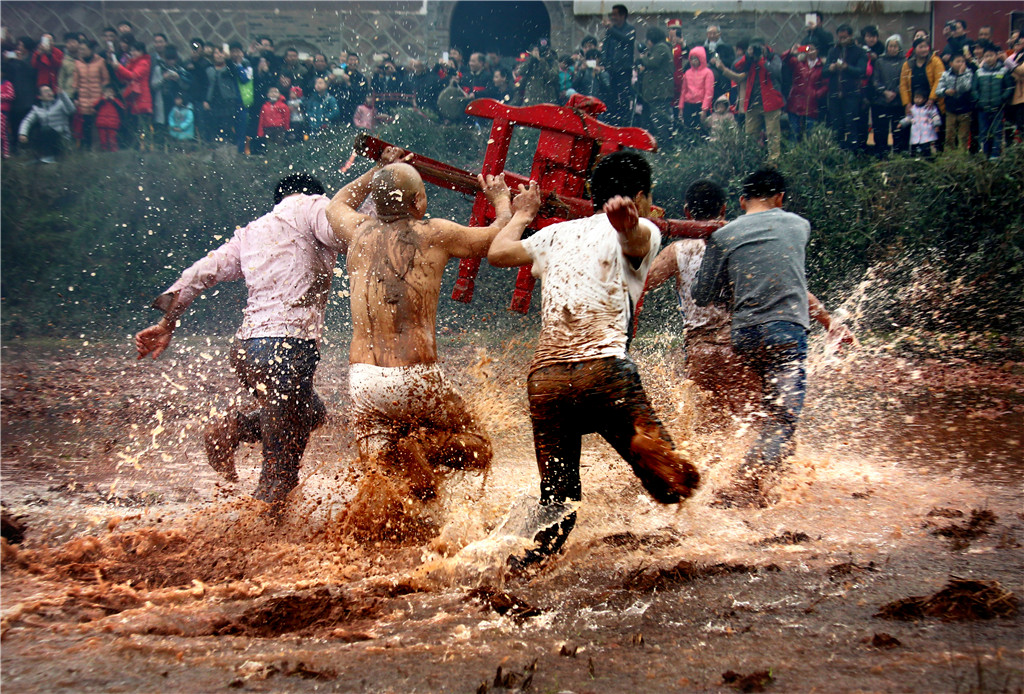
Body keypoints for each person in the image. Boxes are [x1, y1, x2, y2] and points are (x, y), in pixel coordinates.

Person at [134, 163, 405, 512]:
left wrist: (167, 324)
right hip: (288, 350)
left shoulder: (252, 232)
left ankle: (231, 429)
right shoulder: (313, 207)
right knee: (281, 469)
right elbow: (354, 233)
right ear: (313, 193)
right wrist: (380, 187)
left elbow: (202, 272)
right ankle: (263, 543)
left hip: (248, 350)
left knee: (311, 413)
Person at [487, 151, 701, 566]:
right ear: (641, 197)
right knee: (674, 486)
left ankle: (521, 564)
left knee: (559, 501)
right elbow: (636, 241)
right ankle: (644, 444)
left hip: (546, 382)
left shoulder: (557, 234)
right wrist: (630, 225)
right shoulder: (645, 230)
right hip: (604, 373)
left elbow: (498, 252)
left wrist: (521, 212)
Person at [324, 153, 521, 504]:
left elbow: (337, 202)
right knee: (480, 449)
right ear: (418, 201)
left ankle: (391, 526)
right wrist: (502, 202)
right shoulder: (435, 233)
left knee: (380, 480)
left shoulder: (356, 231)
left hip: (363, 382)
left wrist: (375, 173)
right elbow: (494, 237)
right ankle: (420, 449)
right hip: (415, 377)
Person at [646, 179, 852, 423]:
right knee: (754, 426)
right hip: (738, 348)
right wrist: (829, 322)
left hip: (700, 353)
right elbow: (788, 289)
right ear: (724, 208)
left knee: (705, 431)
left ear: (687, 213)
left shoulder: (676, 252)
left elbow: (640, 284)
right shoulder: (742, 242)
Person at [691, 168, 809, 507]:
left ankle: (772, 485)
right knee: (783, 418)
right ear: (781, 198)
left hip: (744, 335)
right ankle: (741, 486)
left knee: (771, 413)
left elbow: (702, 294)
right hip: (787, 332)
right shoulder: (800, 226)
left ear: (742, 200)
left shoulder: (725, 234)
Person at [714, 39, 785, 161]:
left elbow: (776, 72)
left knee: (772, 134)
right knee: (750, 135)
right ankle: (752, 160)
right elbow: (736, 68)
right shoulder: (749, 61)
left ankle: (774, 161)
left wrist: (762, 59)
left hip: (771, 103)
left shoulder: (772, 57)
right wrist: (748, 56)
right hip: (753, 104)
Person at [825, 25, 867, 152]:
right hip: (834, 95)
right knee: (837, 126)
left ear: (850, 36)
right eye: (840, 37)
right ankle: (838, 152)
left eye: (845, 37)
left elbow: (861, 71)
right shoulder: (833, 51)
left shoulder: (859, 52)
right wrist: (830, 68)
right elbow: (824, 71)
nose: (842, 39)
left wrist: (847, 67)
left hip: (851, 95)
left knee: (851, 125)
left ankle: (852, 153)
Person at [108, 40, 152, 150]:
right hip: (133, 99)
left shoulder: (143, 63)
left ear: (141, 52)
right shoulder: (132, 62)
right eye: (132, 50)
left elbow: (133, 75)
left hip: (141, 99)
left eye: (135, 51)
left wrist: (119, 67)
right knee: (134, 125)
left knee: (141, 126)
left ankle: (142, 149)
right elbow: (123, 78)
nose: (132, 53)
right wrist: (117, 69)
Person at [869, 35, 909, 155]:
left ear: (899, 48)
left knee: (898, 131)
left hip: (898, 102)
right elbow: (875, 80)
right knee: (881, 131)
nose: (892, 49)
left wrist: (895, 92)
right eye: (890, 46)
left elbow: (904, 80)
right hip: (881, 102)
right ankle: (881, 155)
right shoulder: (879, 61)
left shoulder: (904, 62)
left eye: (895, 46)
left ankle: (898, 156)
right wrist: (884, 91)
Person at [637, 26, 675, 148]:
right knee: (652, 122)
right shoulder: (658, 48)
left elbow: (652, 62)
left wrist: (643, 58)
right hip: (654, 94)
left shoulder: (661, 48)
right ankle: (656, 147)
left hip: (660, 93)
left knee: (660, 122)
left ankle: (665, 148)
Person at [973, 44, 1012, 158]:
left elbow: (1009, 87)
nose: (989, 58)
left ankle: (995, 156)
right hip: (982, 108)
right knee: (983, 133)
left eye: (991, 55)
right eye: (986, 56)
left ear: (996, 56)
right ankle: (984, 155)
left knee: (997, 132)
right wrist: (978, 101)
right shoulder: (979, 72)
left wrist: (1002, 99)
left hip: (998, 108)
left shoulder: (1004, 70)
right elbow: (974, 89)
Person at [17, 83, 74, 163]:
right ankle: (38, 157)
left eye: (50, 91)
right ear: (40, 96)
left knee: (47, 130)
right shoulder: (37, 109)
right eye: (46, 92)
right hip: (46, 139)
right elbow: (27, 121)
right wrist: (23, 133)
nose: (49, 93)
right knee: (35, 131)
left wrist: (63, 95)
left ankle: (50, 157)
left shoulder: (60, 103)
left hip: (62, 138)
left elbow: (71, 110)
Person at [782, 43, 827, 141]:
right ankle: (792, 153)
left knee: (810, 132)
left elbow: (826, 84)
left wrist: (816, 94)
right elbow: (784, 59)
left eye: (813, 49)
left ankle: (808, 154)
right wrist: (791, 51)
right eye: (808, 49)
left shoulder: (821, 66)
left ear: (817, 51)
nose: (810, 52)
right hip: (795, 102)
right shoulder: (799, 63)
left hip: (811, 104)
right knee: (794, 131)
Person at [72, 40, 109, 152]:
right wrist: (75, 97)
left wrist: (103, 93)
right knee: (85, 125)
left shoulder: (100, 62)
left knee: (98, 125)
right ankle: (86, 149)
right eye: (80, 49)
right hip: (83, 99)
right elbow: (75, 83)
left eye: (83, 49)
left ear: (91, 50)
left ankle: (99, 148)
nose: (81, 51)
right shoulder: (78, 63)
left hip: (97, 99)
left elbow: (105, 79)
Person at [602, 4, 636, 124]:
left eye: (615, 15)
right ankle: (613, 120)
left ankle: (625, 121)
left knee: (624, 96)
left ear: (623, 15)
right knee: (611, 96)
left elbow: (626, 40)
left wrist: (612, 30)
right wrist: (604, 62)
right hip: (612, 70)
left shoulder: (630, 29)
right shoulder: (610, 31)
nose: (613, 17)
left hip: (624, 70)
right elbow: (605, 48)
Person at [937, 53, 974, 150]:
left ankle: (962, 157)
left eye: (963, 61)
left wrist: (961, 74)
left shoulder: (968, 73)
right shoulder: (946, 74)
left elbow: (966, 88)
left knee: (963, 136)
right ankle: (950, 158)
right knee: (949, 136)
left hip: (965, 109)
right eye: (958, 61)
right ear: (951, 63)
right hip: (950, 110)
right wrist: (945, 91)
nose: (961, 64)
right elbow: (938, 90)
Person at [900, 38, 944, 117]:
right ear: (914, 49)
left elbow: (939, 80)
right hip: (915, 104)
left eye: (926, 47)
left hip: (933, 104)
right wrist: (907, 103)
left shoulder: (935, 61)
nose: (924, 49)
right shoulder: (907, 65)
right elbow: (903, 85)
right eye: (921, 47)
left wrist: (932, 98)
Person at [94, 84, 124, 152]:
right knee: (103, 139)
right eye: (107, 92)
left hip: (112, 124)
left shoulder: (116, 101)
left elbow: (121, 108)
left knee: (112, 139)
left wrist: (114, 100)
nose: (109, 94)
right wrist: (103, 99)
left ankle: (113, 152)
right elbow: (95, 106)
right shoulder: (101, 100)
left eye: (110, 92)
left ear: (114, 93)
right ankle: (104, 151)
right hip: (102, 123)